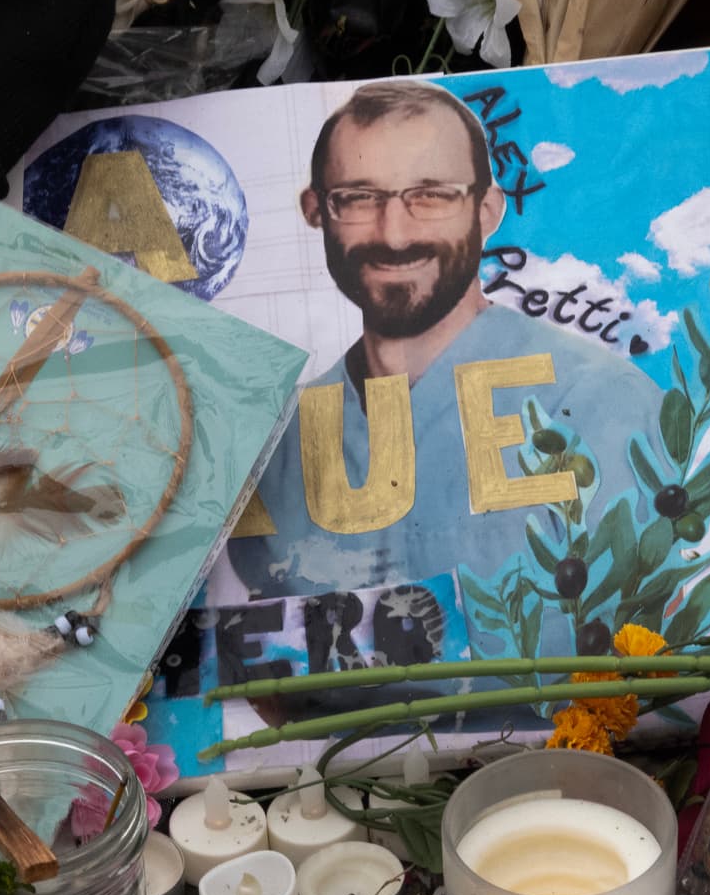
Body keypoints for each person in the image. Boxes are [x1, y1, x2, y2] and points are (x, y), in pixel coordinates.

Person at [228, 80, 667, 604]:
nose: (394, 234)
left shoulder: (601, 404)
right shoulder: (275, 448)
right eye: (359, 198)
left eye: (432, 196)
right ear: (316, 210)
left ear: (487, 211)